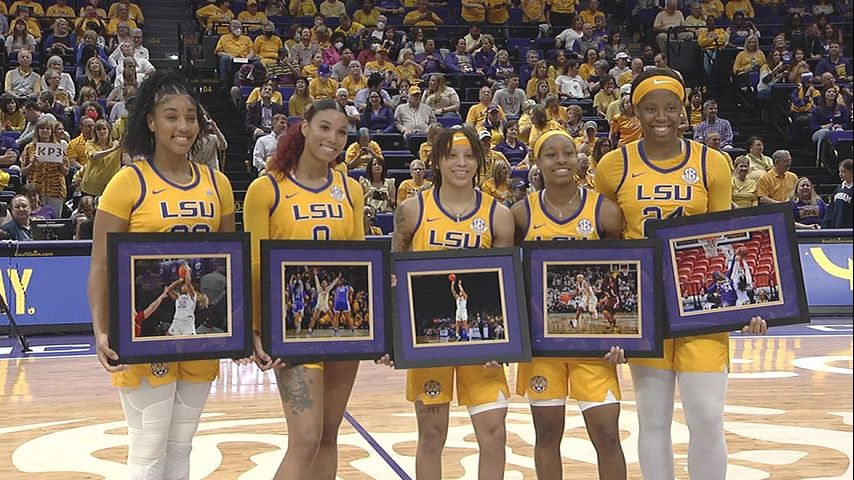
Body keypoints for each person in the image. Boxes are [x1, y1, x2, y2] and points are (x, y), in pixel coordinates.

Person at [594, 68, 767, 480]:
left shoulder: (713, 162)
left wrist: (752, 304)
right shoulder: (613, 165)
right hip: (648, 309)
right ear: (635, 111)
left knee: (707, 416)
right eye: (651, 108)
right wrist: (612, 322)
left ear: (683, 110)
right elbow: (605, 245)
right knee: (653, 420)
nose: (661, 117)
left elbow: (728, 238)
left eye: (671, 108)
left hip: (702, 305)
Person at [87, 71, 236, 480]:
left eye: (191, 117)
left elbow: (227, 264)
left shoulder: (218, 184)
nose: (183, 127)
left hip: (198, 338)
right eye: (171, 116)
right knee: (148, 450)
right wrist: (101, 329)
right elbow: (100, 263)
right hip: (143, 337)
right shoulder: (127, 182)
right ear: (151, 121)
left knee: (181, 447)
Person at [243, 99, 365, 479]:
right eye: (325, 127)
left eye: (342, 132)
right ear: (305, 128)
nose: (333, 138)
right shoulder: (266, 189)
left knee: (329, 436)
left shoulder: (351, 189)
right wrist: (255, 329)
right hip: (291, 329)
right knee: (306, 437)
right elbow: (255, 266)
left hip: (343, 328)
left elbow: (362, 263)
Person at [390, 125, 514, 479]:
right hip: (429, 343)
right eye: (452, 155)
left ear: (479, 161)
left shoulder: (498, 215)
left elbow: (505, 285)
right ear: (437, 160)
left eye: (469, 155)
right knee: (431, 435)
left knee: (494, 433)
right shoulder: (412, 210)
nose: (461, 163)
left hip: (483, 343)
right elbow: (394, 276)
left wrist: (506, 342)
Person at [511, 129, 627, 480]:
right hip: (542, 347)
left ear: (579, 158)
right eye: (551, 154)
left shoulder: (604, 211)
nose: (561, 160)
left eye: (568, 153)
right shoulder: (519, 214)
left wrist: (625, 334)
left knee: (607, 434)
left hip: (593, 347)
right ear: (537, 162)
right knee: (547, 433)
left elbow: (623, 273)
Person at [306, 271, 341, 337]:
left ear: (326, 284)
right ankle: (309, 330)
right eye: (323, 283)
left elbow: (333, 283)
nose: (324, 284)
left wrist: (338, 278)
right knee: (314, 318)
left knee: (332, 317)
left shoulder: (328, 289)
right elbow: (317, 282)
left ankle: (335, 329)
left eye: (325, 283)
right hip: (319, 305)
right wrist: (315, 275)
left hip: (325, 306)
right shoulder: (319, 289)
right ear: (322, 284)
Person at [822, 158, 853, 228]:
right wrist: (825, 225)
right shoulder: (838, 188)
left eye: (844, 172)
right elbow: (831, 209)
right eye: (839, 172)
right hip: (836, 226)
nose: (840, 174)